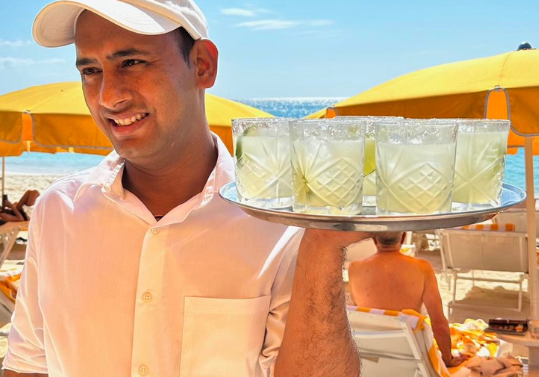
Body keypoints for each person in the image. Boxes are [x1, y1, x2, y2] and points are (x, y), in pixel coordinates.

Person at [3, 1, 370, 376]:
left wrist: (323, 247)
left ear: (202, 65)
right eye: (91, 71)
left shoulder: (281, 222)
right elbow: (27, 363)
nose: (108, 97)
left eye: (132, 62)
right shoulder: (59, 210)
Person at [348, 231, 468, 368]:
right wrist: (448, 359)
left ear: (374, 239)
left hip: (371, 358)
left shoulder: (355, 268)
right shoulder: (422, 268)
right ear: (404, 237)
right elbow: (439, 324)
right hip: (412, 357)